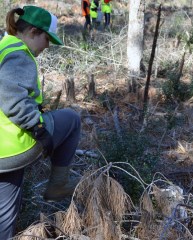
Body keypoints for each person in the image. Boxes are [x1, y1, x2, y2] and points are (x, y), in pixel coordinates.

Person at [0, 6, 81, 239]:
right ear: (33, 31)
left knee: (5, 214)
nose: (47, 46)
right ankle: (58, 184)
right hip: (13, 146)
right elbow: (12, 100)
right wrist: (39, 128)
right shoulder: (18, 54)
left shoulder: (3, 47)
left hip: (3, 150)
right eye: (47, 39)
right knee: (72, 119)